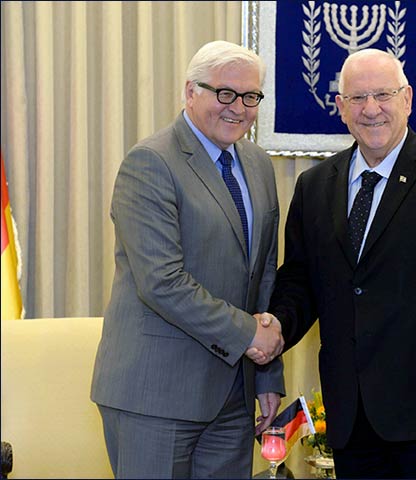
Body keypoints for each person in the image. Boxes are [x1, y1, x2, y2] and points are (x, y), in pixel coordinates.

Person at [268, 49, 416, 478]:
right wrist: (271, 330)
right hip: (352, 417)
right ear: (340, 108)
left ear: (408, 99)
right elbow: (300, 283)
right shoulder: (315, 186)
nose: (371, 109)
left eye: (383, 95)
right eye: (358, 98)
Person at [91, 40, 285, 479]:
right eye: (225, 93)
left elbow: (264, 276)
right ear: (190, 92)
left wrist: (268, 373)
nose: (238, 107)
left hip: (234, 398)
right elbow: (162, 281)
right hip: (155, 396)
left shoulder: (257, 163)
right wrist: (250, 335)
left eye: (251, 96)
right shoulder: (150, 162)